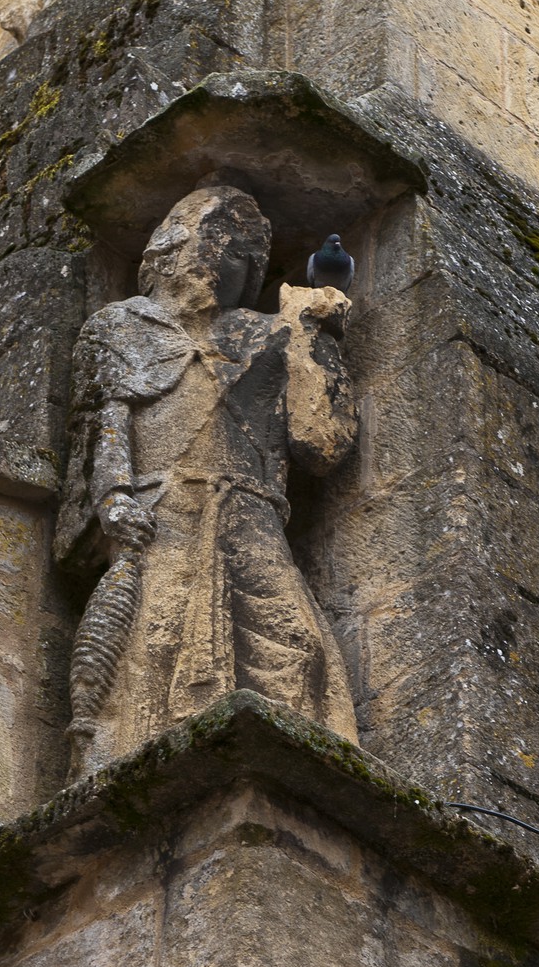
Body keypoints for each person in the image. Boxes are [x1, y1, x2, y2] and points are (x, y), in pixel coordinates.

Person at [55, 183, 358, 776]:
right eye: (213, 240)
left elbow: (321, 445)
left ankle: (292, 774)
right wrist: (114, 497)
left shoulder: (270, 334)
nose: (223, 260)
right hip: (162, 517)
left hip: (252, 516)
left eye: (245, 253)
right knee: (149, 641)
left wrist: (317, 340)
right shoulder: (119, 327)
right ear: (167, 251)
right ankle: (126, 766)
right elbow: (106, 422)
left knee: (294, 645)